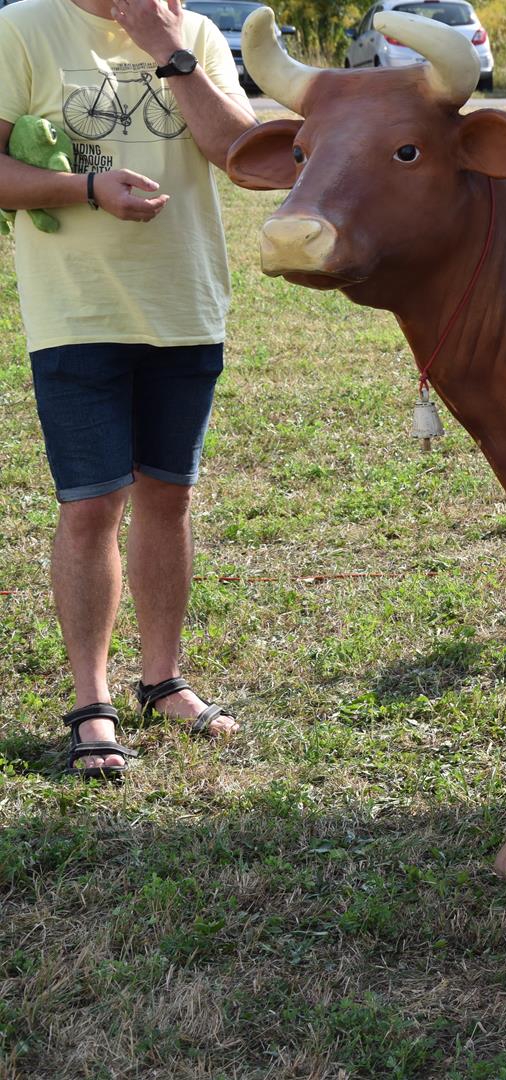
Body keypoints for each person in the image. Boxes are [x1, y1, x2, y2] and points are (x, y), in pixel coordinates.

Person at [0, 0, 257, 779]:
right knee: (89, 505)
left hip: (186, 307)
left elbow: (245, 156)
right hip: (77, 312)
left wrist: (166, 47)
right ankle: (92, 702)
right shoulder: (22, 27)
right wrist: (85, 189)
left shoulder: (198, 32)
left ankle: (163, 680)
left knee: (167, 497)